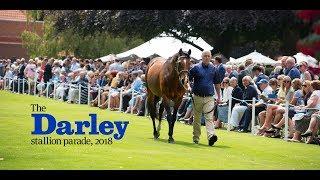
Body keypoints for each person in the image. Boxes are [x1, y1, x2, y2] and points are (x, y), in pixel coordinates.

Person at [188, 50, 221, 146]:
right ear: (201, 57)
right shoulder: (195, 68)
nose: (206, 57)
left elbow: (217, 84)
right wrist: (189, 87)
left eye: (208, 56)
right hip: (197, 96)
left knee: (209, 118)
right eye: (205, 56)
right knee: (197, 119)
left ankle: (211, 136)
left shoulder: (214, 69)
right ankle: (196, 138)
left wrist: (219, 96)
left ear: (211, 57)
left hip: (209, 97)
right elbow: (188, 79)